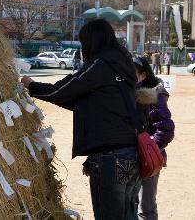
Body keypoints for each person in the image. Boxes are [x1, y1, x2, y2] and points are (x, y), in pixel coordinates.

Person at [21, 19, 141, 220]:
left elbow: (62, 90)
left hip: (110, 157)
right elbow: (83, 102)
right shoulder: (122, 65)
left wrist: (31, 85)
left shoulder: (101, 65)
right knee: (128, 216)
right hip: (131, 154)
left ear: (91, 41)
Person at [133, 57, 175, 220]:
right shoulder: (126, 93)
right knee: (131, 204)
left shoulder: (154, 95)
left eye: (132, 72)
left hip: (149, 160)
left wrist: (148, 150)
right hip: (130, 158)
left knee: (146, 208)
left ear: (143, 75)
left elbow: (165, 129)